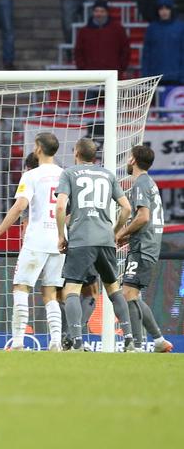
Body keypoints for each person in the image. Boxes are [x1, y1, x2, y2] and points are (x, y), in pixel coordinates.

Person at [0, 133, 65, 351]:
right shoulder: (66, 175)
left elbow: (19, 207)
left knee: (21, 288)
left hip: (36, 240)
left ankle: (18, 342)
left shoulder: (32, 175)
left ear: (38, 148)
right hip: (58, 240)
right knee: (50, 293)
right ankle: (56, 341)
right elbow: (69, 210)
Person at [55, 137, 134, 352]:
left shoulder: (69, 173)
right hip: (105, 240)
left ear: (76, 153)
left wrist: (61, 235)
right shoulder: (107, 174)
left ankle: (77, 341)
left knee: (71, 290)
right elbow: (126, 208)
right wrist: (115, 231)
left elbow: (61, 206)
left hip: (81, 240)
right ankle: (129, 339)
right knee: (113, 289)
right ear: (95, 156)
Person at [115, 145, 173, 353]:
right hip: (147, 243)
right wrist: (129, 235)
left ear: (133, 160)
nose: (127, 160)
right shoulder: (150, 183)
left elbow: (143, 217)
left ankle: (137, 346)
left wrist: (120, 233)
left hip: (143, 246)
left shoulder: (140, 182)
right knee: (132, 294)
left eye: (129, 156)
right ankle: (158, 341)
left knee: (129, 293)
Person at [74, 0, 130, 77]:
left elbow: (125, 49)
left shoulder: (118, 29)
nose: (99, 14)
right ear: (93, 12)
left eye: (102, 11)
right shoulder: (83, 31)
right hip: (90, 75)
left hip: (113, 75)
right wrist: (83, 69)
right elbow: (78, 52)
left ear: (107, 12)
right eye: (96, 11)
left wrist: (122, 68)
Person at [141, 0, 184, 84]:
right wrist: (146, 76)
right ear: (157, 11)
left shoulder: (180, 28)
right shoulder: (152, 29)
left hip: (176, 77)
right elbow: (146, 54)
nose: (164, 12)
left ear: (171, 10)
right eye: (161, 9)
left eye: (167, 8)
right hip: (155, 77)